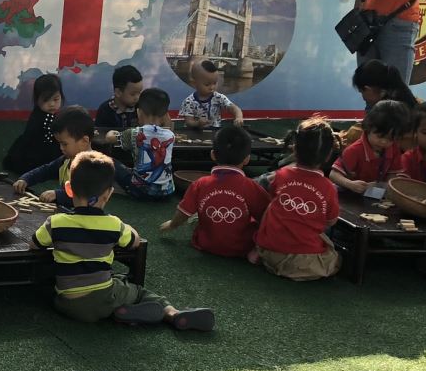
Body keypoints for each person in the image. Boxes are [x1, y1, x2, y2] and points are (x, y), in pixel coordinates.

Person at [33, 152, 214, 330]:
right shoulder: (113, 224)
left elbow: (34, 244)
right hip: (103, 299)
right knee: (137, 290)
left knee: (113, 280)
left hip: (66, 304)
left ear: (69, 189)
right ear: (108, 194)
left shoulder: (56, 222)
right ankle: (172, 313)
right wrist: (127, 227)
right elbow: (135, 242)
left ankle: (121, 311)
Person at [161, 125, 271, 258]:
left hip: (205, 244)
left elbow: (184, 213)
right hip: (242, 248)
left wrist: (172, 225)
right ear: (247, 159)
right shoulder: (251, 186)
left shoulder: (200, 184)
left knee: (195, 219)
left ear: (213, 154)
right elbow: (267, 215)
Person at [252, 117, 341, 281]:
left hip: (268, 251)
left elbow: (271, 199)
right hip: (301, 259)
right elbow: (331, 221)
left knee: (272, 206)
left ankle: (263, 254)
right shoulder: (328, 187)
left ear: (295, 149)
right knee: (335, 259)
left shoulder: (281, 175)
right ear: (329, 155)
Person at [13, 106, 108, 208]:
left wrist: (58, 195)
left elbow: (86, 197)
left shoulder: (94, 166)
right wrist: (26, 179)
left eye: (64, 144)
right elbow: (45, 171)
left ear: (84, 141)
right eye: (59, 143)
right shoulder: (66, 160)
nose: (61, 148)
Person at [331, 99, 411, 195]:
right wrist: (350, 184)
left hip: (373, 195)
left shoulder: (393, 149)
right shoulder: (355, 150)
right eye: (380, 136)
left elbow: (393, 174)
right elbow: (334, 174)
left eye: (390, 139)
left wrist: (385, 184)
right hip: (348, 194)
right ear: (368, 127)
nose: (383, 142)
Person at [2, 73, 64, 175]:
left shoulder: (49, 114)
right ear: (37, 100)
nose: (52, 104)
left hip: (47, 145)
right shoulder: (41, 118)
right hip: (37, 150)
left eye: (56, 99)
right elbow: (34, 138)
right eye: (46, 100)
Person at [122, 88, 176, 200]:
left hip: (141, 192)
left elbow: (111, 139)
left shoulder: (134, 133)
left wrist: (111, 134)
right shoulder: (171, 136)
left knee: (112, 163)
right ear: (166, 115)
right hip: (167, 193)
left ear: (139, 112)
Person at [177, 60, 243, 129]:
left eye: (214, 83)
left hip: (215, 132)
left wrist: (239, 117)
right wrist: (198, 123)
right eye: (207, 84)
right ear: (194, 83)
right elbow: (189, 122)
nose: (212, 87)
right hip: (196, 133)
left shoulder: (219, 97)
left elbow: (234, 108)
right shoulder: (189, 101)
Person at [95, 64, 143, 142]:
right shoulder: (105, 110)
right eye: (133, 94)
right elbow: (99, 137)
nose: (137, 97)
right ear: (118, 92)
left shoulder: (140, 107)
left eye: (139, 93)